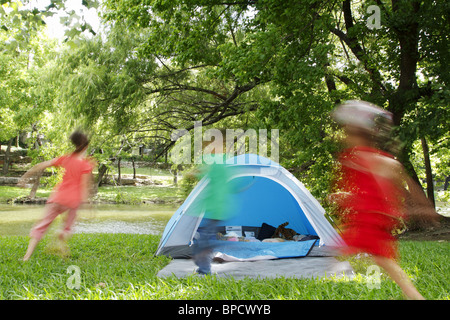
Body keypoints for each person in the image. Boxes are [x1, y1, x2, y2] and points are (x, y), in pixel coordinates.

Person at [329, 100, 440, 300]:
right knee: (378, 258)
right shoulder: (368, 159)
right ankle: (412, 296)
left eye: (349, 133)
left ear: (359, 135)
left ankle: (414, 296)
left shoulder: (370, 160)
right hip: (371, 218)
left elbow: (388, 189)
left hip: (371, 219)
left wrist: (421, 207)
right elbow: (382, 189)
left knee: (375, 257)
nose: (346, 137)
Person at [18, 131, 95, 261]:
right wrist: (87, 204)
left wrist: (24, 178)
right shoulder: (85, 164)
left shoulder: (65, 158)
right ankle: (62, 233)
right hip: (72, 201)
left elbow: (40, 165)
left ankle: (26, 257)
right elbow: (84, 187)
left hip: (57, 198)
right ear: (86, 146)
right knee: (68, 226)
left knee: (41, 227)